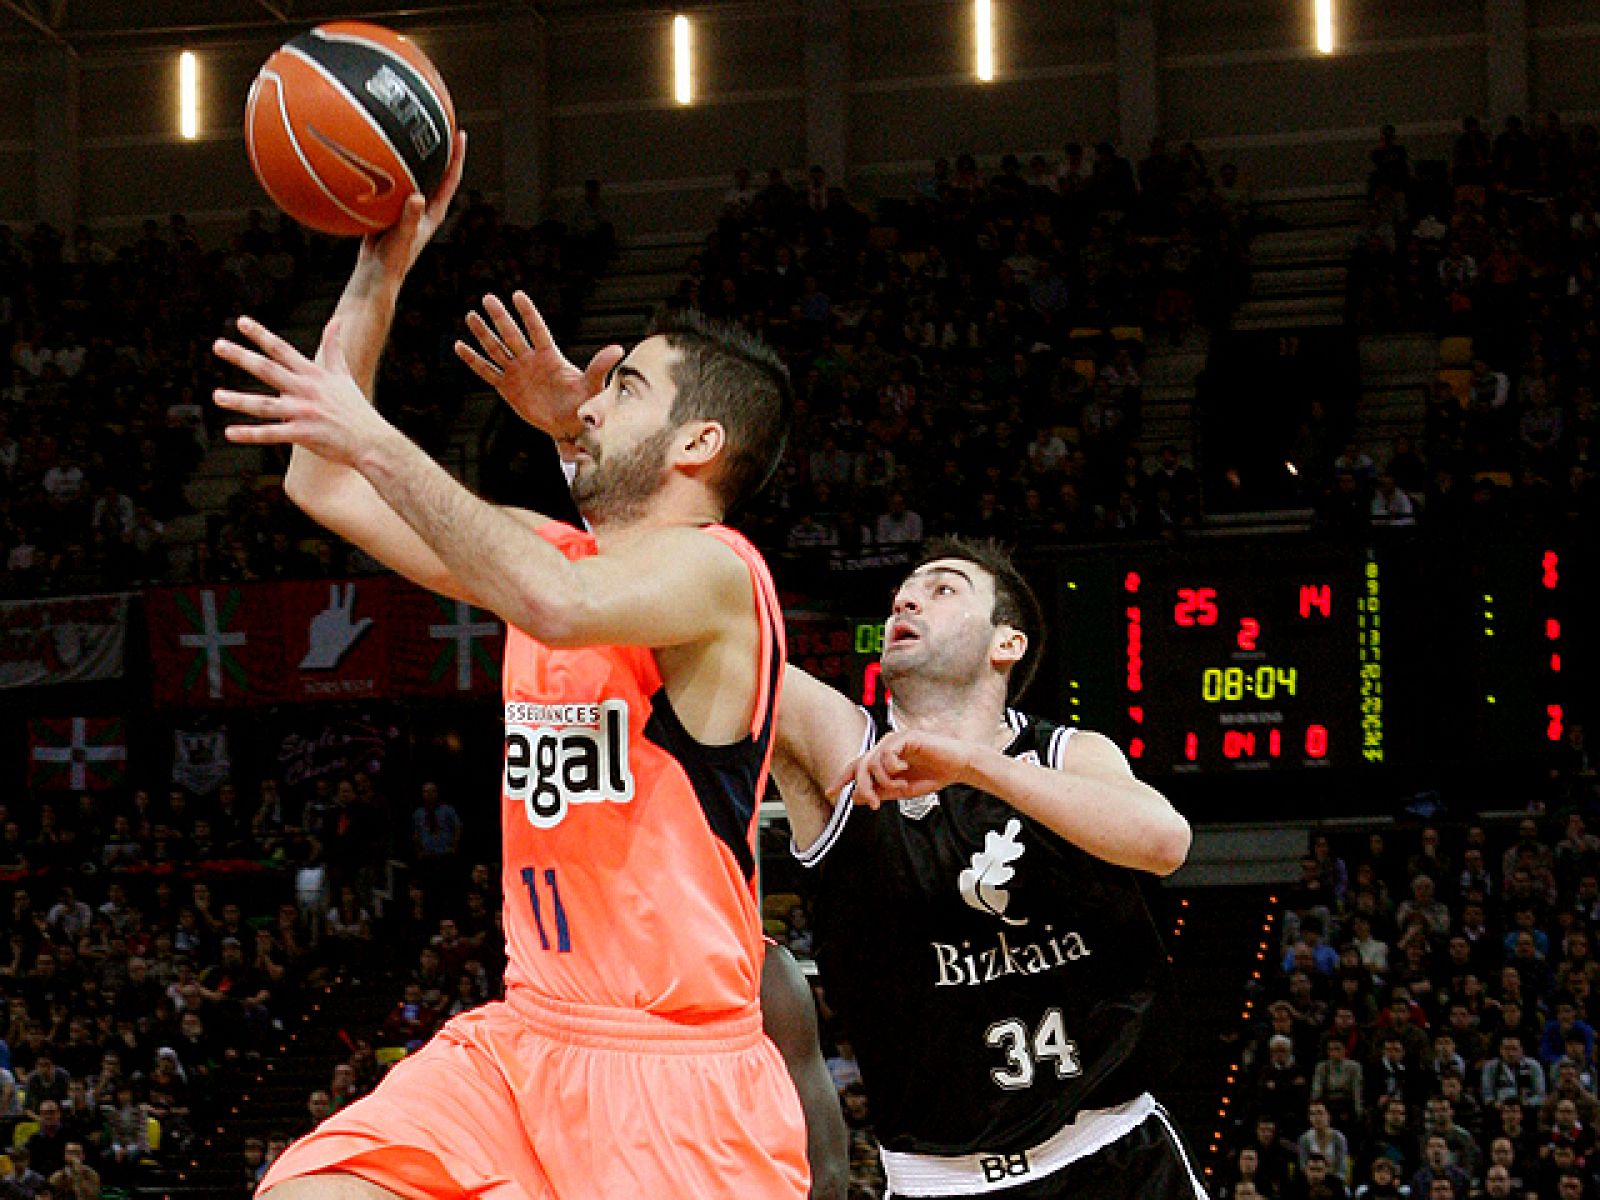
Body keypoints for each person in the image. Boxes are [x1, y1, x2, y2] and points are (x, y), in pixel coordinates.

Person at [214, 136, 808, 1198]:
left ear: (697, 443)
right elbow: (323, 481)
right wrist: (380, 265)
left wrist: (378, 435)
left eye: (622, 389)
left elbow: (559, 605)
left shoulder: (720, 577)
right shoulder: (558, 550)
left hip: (675, 1083)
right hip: (524, 1040)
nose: (585, 400)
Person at [769, 536, 1199, 1198]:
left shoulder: (1069, 754)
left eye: (943, 589)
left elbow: (1164, 840)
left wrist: (971, 766)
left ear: (1007, 644)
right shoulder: (846, 749)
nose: (906, 600)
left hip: (1115, 1157)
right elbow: (732, 642)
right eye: (900, 595)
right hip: (941, 1180)